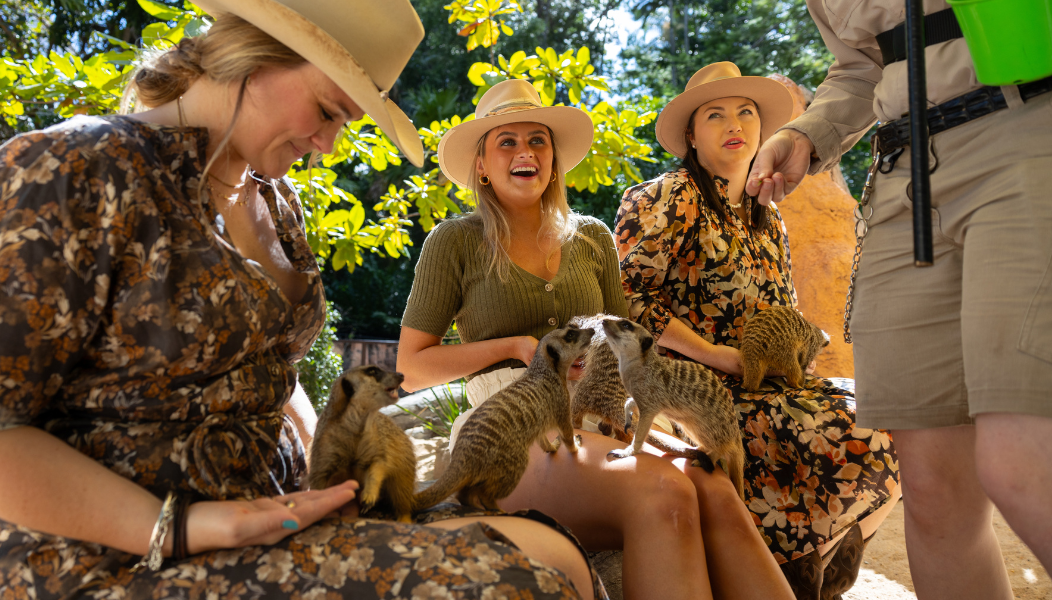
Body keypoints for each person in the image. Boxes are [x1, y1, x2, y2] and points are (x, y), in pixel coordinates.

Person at [0, 1, 605, 598]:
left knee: (557, 551)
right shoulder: (78, 170)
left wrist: (339, 473)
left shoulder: (274, 198)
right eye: (328, 110)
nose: (328, 144)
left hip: (277, 521)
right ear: (252, 55)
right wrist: (182, 525)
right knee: (510, 583)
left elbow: (269, 374)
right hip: (113, 560)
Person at [397, 78, 796, 600]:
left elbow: (626, 339)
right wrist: (518, 348)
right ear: (481, 165)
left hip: (604, 414)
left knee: (715, 484)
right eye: (507, 142)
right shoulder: (454, 240)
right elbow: (409, 369)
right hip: (506, 424)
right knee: (664, 489)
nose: (526, 153)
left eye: (537, 140)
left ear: (554, 157)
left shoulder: (591, 237)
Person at [744, 2, 1052, 597]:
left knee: (1024, 461)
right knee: (936, 495)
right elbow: (864, 65)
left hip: (1026, 126)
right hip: (904, 176)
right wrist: (808, 132)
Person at [614, 62, 902, 598]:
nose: (735, 123)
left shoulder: (769, 218)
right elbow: (629, 300)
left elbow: (783, 313)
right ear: (691, 138)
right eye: (715, 114)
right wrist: (716, 354)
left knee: (891, 418)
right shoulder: (663, 197)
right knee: (836, 437)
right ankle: (787, 573)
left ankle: (811, 572)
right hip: (691, 386)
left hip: (767, 382)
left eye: (746, 112)